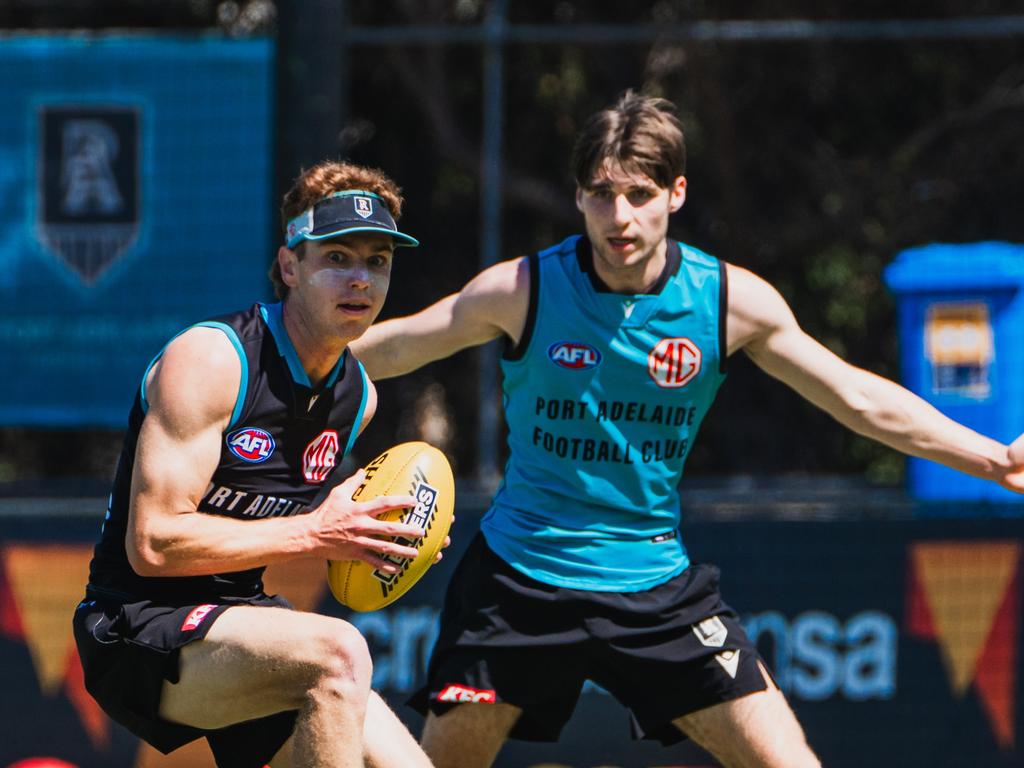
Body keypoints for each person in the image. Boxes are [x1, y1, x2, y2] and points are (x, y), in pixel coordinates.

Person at [350, 91, 1024, 768]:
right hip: (518, 579)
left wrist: (993, 460)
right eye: (601, 194)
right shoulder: (524, 289)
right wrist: (260, 360)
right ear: (578, 197)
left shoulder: (727, 302)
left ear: (676, 193)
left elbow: (855, 397)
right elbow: (401, 345)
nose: (620, 217)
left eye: (639, 194)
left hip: (655, 588)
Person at [73, 160, 441, 768]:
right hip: (133, 625)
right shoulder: (213, 360)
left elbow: (317, 518)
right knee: (339, 654)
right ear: (290, 265)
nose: (360, 279)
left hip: (241, 617)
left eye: (378, 262)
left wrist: (392, 535)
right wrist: (317, 531)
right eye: (338, 258)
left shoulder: (358, 398)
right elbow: (154, 545)